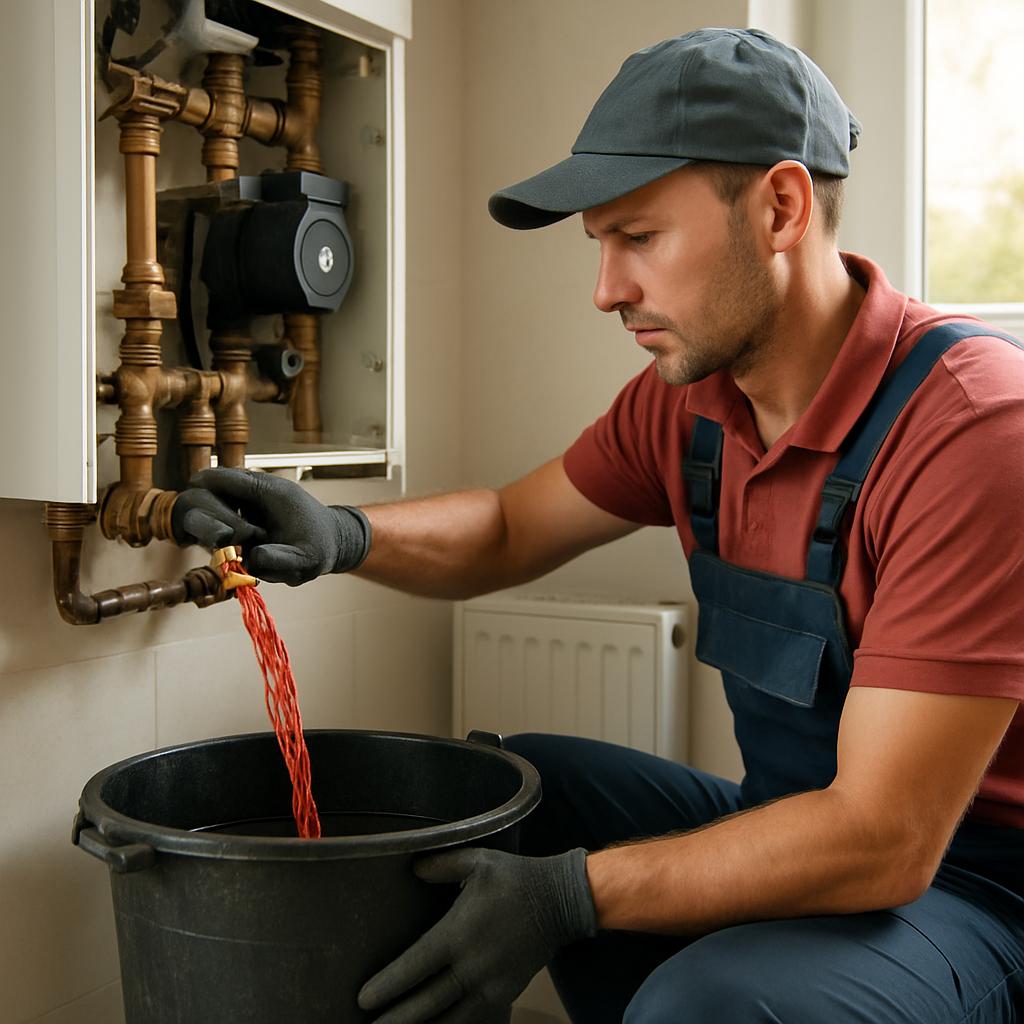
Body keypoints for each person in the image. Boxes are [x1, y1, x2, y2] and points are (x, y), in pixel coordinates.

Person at [173, 27, 1024, 1024]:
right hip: (797, 823)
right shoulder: (692, 402)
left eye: (639, 237)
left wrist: (572, 897)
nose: (605, 289)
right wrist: (338, 533)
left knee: (704, 1004)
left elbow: (884, 835)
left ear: (781, 207)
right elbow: (504, 528)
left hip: (972, 893)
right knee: (518, 794)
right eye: (600, 245)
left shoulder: (971, 428)